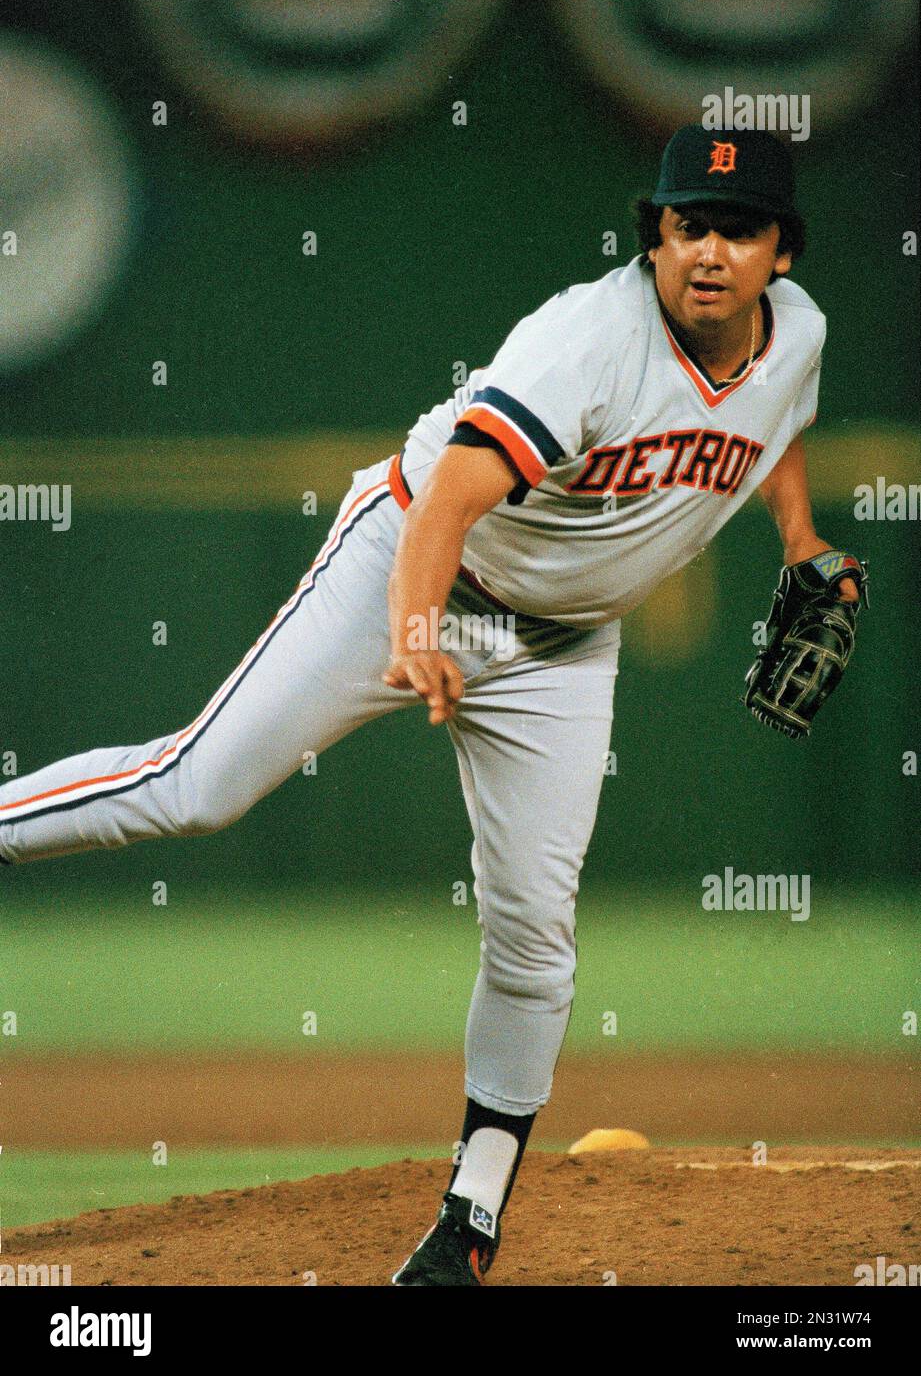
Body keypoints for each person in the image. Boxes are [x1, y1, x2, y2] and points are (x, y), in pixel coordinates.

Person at [0, 125, 858, 1285]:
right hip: (411, 567)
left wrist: (801, 541)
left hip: (560, 644)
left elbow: (777, 420)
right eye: (686, 224)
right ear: (653, 234)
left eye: (739, 229)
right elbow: (453, 494)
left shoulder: (795, 336)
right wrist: (415, 633)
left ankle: (469, 1220)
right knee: (195, 787)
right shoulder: (587, 342)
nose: (708, 249)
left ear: (782, 254)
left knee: (535, 932)